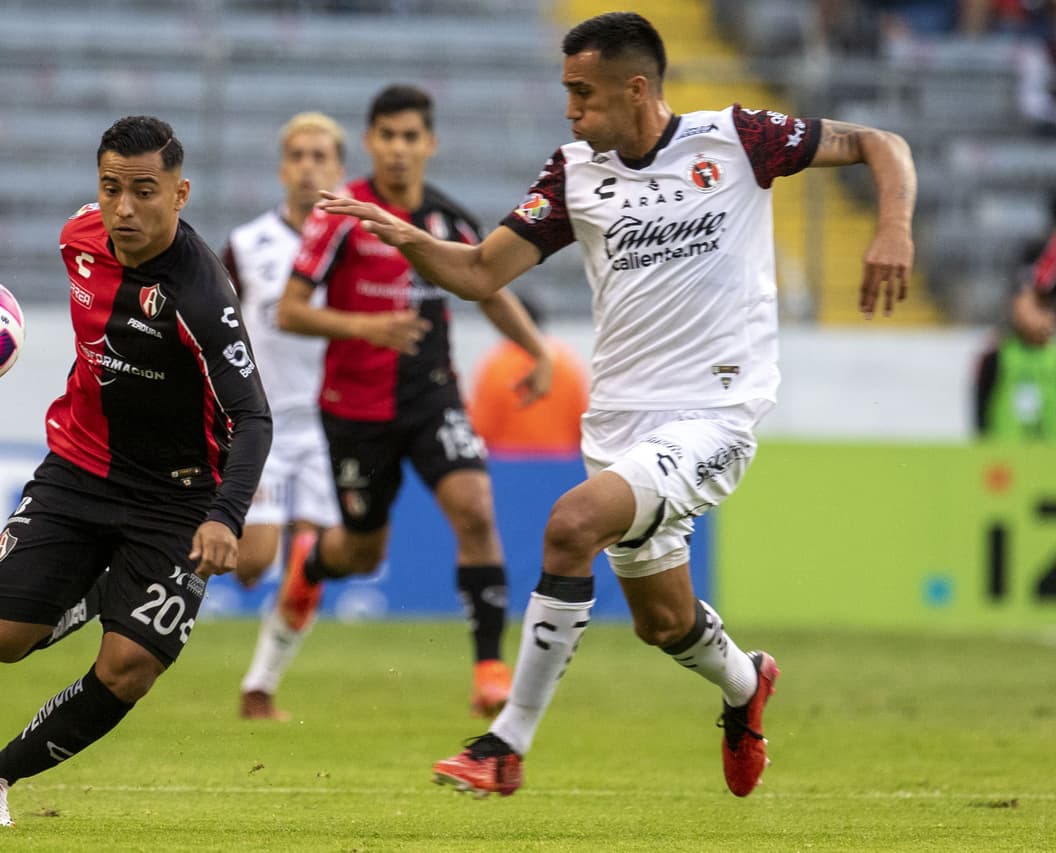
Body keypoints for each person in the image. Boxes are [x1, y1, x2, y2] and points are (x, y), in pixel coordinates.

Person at [319, 12, 916, 798]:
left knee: (570, 524)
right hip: (621, 427)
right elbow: (478, 274)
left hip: (715, 414)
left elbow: (882, 143)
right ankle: (747, 684)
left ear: (636, 90)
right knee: (662, 623)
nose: (571, 111)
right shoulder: (573, 173)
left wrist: (894, 226)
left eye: (582, 94)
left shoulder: (738, 139)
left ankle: (505, 744)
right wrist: (405, 237)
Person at [0, 115, 272, 826]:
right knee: (0, 639)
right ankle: (107, 587)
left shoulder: (203, 299)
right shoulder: (80, 238)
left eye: (144, 191)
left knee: (130, 664)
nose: (125, 208)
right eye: (110, 189)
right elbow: (86, 234)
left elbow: (253, 418)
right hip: (80, 465)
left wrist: (225, 514)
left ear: (180, 193)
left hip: (177, 495)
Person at [274, 84, 554, 720]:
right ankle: (315, 560)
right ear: (370, 142)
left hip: (431, 397)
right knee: (362, 551)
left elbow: (486, 287)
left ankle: (488, 667)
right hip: (355, 406)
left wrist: (536, 351)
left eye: (410, 137)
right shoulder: (340, 215)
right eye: (387, 136)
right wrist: (366, 327)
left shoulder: (449, 220)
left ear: (430, 143)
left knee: (475, 509)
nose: (399, 149)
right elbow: (288, 311)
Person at [222, 112, 347, 720]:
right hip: (262, 426)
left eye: (321, 156)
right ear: (282, 167)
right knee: (252, 566)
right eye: (298, 155)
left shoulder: (357, 242)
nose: (308, 167)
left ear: (340, 169)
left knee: (311, 564)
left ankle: (260, 686)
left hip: (330, 426)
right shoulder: (246, 247)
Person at [467, 293, 588, 457]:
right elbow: (582, 421)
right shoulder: (566, 362)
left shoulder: (497, 364)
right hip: (563, 462)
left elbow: (482, 426)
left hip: (508, 463)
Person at [975, 231, 1056, 439]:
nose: (1045, 318)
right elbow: (980, 416)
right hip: (1007, 461)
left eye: (1047, 307)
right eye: (1041, 306)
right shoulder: (996, 356)